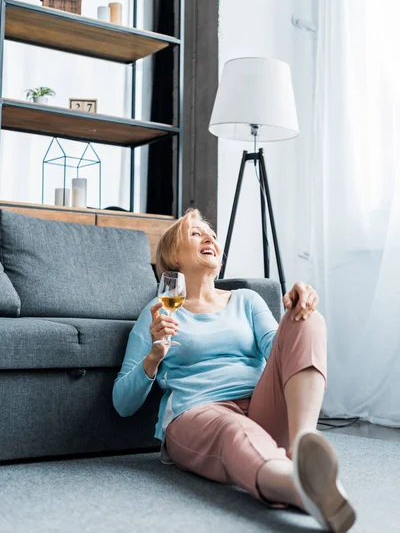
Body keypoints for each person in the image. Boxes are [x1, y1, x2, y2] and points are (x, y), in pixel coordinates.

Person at [113, 208, 356, 532]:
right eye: (196, 233)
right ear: (173, 255)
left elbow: (283, 350)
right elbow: (122, 404)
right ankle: (301, 488)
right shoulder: (157, 312)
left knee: (307, 319)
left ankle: (303, 449)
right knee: (235, 432)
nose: (209, 237)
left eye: (211, 233)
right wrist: (153, 357)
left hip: (261, 406)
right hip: (199, 411)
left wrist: (300, 305)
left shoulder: (247, 300)